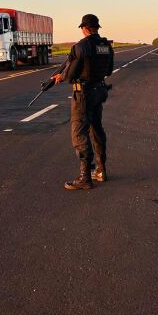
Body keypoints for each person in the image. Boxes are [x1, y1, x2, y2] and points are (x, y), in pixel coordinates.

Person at [52, 14, 114, 190]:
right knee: (96, 129)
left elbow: (71, 75)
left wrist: (61, 76)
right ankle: (100, 171)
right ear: (96, 28)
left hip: (84, 95)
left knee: (79, 134)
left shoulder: (81, 47)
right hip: (100, 91)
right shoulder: (106, 46)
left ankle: (85, 177)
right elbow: (108, 70)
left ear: (84, 28)